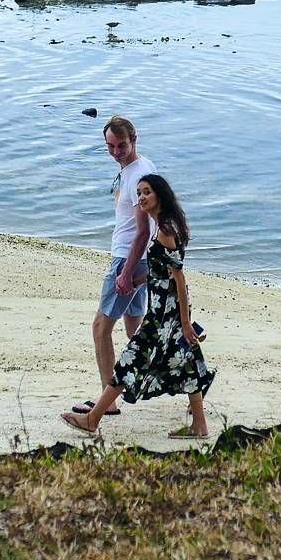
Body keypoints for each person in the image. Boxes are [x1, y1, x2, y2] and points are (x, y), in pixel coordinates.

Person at [61, 173, 214, 438]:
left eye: (147, 193)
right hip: (165, 308)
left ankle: (92, 419)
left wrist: (185, 322)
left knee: (131, 358)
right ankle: (199, 425)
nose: (141, 198)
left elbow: (179, 276)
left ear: (160, 196)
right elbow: (161, 270)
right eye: (139, 193)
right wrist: (135, 281)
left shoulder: (165, 229)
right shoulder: (163, 225)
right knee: (186, 360)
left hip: (165, 313)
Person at [69, 116, 155, 419]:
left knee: (100, 328)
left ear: (134, 140)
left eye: (121, 145)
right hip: (138, 258)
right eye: (110, 146)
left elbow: (142, 230)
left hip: (128, 258)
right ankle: (183, 380)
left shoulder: (138, 175)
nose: (116, 151)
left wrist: (126, 272)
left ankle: (109, 401)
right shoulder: (139, 168)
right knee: (137, 331)